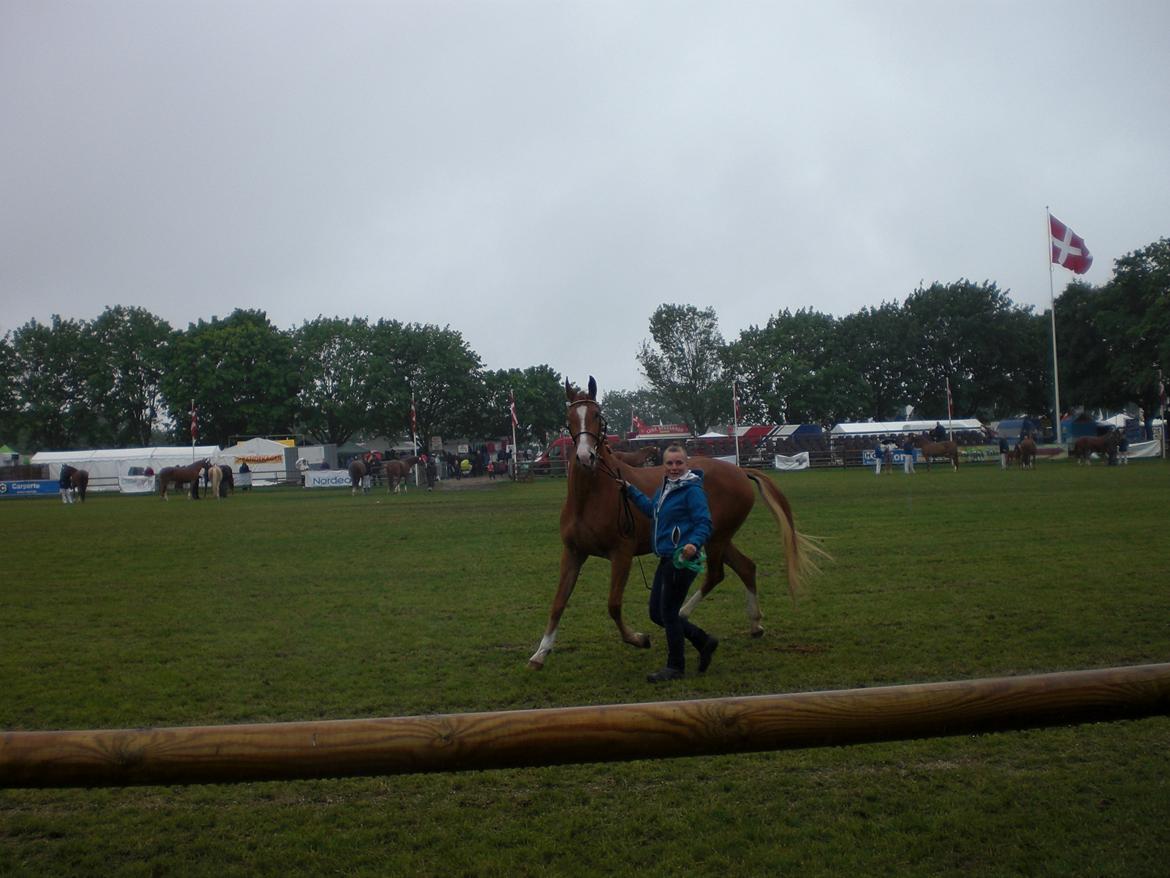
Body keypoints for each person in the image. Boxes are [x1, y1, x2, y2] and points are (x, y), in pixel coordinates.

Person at [620, 444, 718, 683]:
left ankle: (675, 666)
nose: (674, 468)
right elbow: (653, 510)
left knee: (669, 613)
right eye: (670, 463)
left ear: (686, 464)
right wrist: (630, 491)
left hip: (683, 559)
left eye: (679, 463)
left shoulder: (692, 490)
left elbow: (704, 522)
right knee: (657, 613)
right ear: (664, 466)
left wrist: (693, 543)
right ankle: (703, 640)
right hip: (667, 556)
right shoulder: (666, 485)